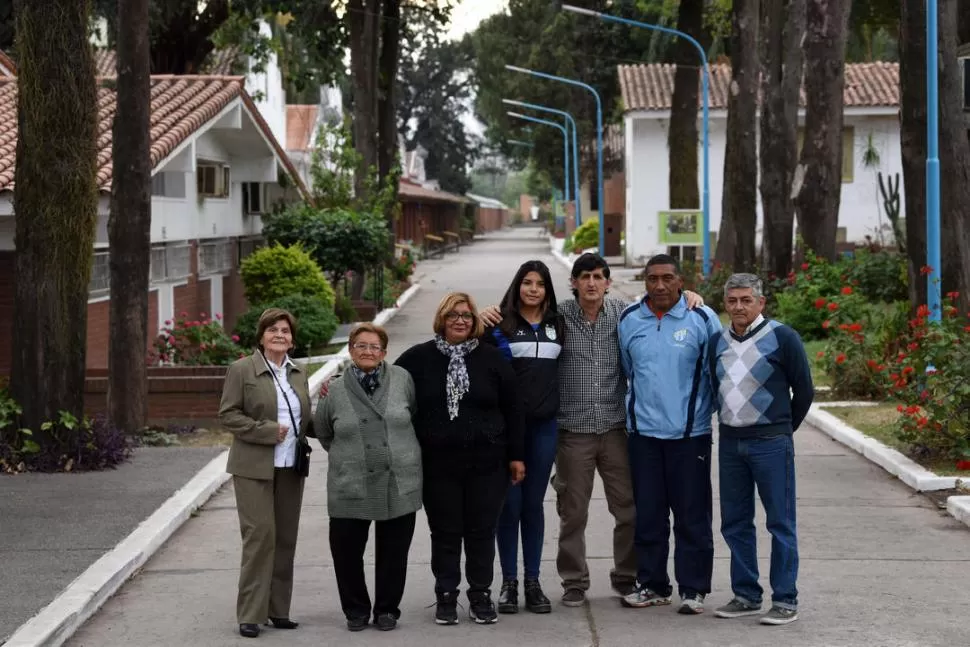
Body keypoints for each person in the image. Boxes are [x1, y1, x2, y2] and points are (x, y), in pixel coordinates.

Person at [480, 253, 705, 608]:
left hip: (616, 428)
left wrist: (689, 295)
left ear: (607, 282)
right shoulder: (560, 316)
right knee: (573, 512)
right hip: (572, 431)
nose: (591, 283)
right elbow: (524, 314)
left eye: (598, 277)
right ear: (573, 282)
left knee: (629, 509)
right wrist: (487, 314)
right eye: (584, 277)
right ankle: (574, 581)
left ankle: (626, 578)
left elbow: (661, 298)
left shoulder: (624, 314)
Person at [395, 292, 526, 626]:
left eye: (467, 315)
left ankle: (480, 594)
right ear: (441, 319)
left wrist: (516, 456)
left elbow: (513, 409)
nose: (460, 320)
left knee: (482, 532)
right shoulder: (417, 359)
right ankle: (446, 595)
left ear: (475, 321)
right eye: (453, 315)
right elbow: (389, 391)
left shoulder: (492, 359)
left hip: (488, 464)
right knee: (445, 532)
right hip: (438, 465)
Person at [617, 254, 722, 615]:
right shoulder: (630, 320)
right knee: (648, 514)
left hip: (689, 435)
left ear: (681, 281)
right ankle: (652, 585)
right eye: (652, 279)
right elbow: (630, 371)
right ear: (644, 282)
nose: (659, 285)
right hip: (643, 435)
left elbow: (714, 372)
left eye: (667, 278)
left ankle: (693, 589)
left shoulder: (701, 318)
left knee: (692, 515)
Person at [709, 273, 814, 626]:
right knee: (735, 522)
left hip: (772, 443)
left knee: (780, 523)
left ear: (761, 303)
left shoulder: (782, 337)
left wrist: (782, 429)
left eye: (746, 300)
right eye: (733, 300)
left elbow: (804, 390)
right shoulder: (717, 341)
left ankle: (785, 599)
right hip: (730, 443)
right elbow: (714, 387)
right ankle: (746, 595)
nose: (739, 306)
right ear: (726, 303)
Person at [314, 323, 422, 633]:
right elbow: (323, 430)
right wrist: (351, 455)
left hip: (398, 481)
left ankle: (387, 610)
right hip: (350, 483)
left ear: (384, 352)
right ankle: (356, 610)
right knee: (347, 553)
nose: (367, 351)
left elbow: (411, 415)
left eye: (374, 346)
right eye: (360, 345)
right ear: (350, 350)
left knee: (394, 552)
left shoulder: (402, 380)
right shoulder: (333, 389)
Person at [219, 308, 312, 639]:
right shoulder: (242, 370)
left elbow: (305, 420)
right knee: (260, 538)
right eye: (273, 329)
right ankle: (250, 614)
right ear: (261, 336)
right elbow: (228, 415)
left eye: (285, 331)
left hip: (290, 469)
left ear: (292, 338)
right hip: (253, 469)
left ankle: (278, 610)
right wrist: (266, 431)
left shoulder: (297, 373)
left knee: (285, 539)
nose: (280, 335)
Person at [485, 260, 564, 615]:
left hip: (544, 429)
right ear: (517, 286)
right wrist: (477, 315)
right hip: (507, 432)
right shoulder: (497, 324)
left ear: (548, 289)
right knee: (510, 506)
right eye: (527, 283)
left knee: (533, 505)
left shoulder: (558, 324)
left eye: (540, 284)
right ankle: (509, 583)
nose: (533, 289)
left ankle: (532, 582)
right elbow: (454, 332)